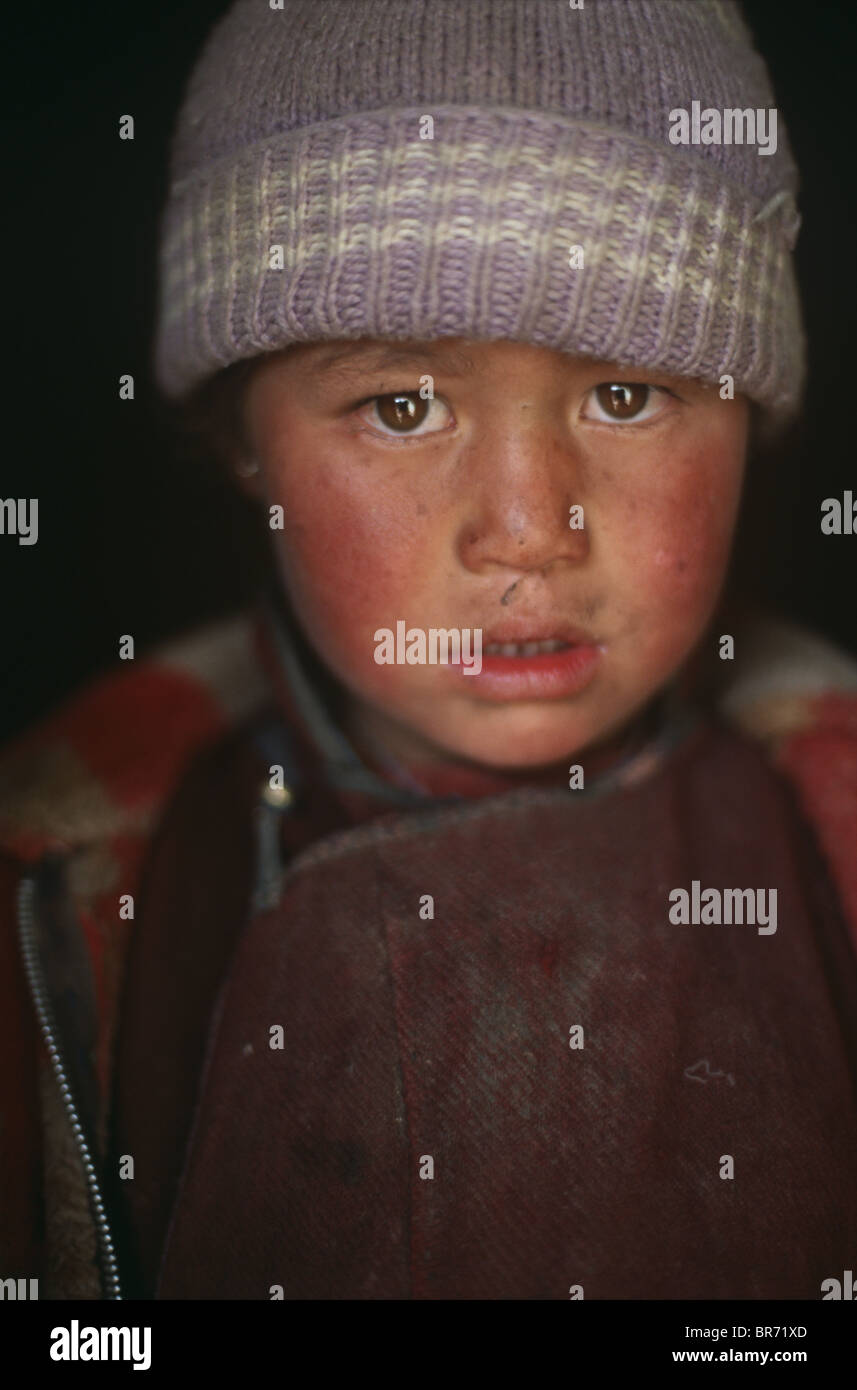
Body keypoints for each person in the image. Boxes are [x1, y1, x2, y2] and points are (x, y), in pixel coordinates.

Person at [1, 0, 856, 1301]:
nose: (527, 531)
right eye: (401, 405)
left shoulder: (829, 837)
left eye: (627, 392)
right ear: (243, 443)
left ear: (750, 421)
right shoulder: (49, 897)